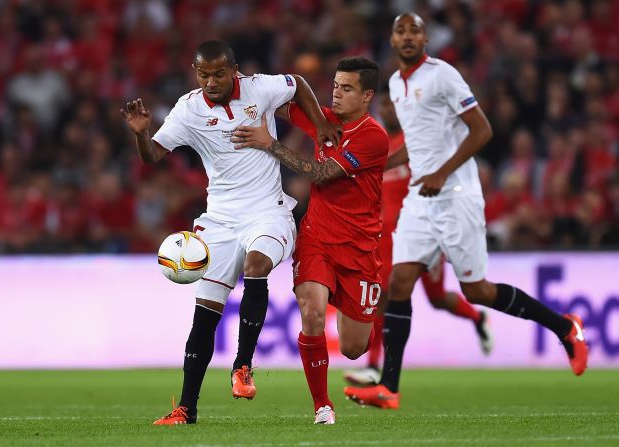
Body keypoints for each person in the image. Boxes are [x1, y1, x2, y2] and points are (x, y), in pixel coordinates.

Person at [343, 13, 588, 410]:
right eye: (401, 31)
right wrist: (378, 166)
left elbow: (482, 129)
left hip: (457, 193)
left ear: (425, 37)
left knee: (477, 290)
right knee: (399, 281)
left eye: (415, 31)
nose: (408, 37)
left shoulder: (443, 75)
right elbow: (416, 146)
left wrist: (442, 171)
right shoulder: (395, 84)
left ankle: (564, 328)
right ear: (391, 40)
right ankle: (389, 388)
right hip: (421, 198)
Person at [121, 40, 341, 425]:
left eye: (219, 73)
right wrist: (142, 133)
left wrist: (321, 123)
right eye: (203, 74)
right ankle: (186, 409)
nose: (211, 81)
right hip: (219, 221)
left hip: (268, 213)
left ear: (233, 70)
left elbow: (299, 83)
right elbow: (153, 155)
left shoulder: (260, 88)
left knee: (257, 265)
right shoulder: (188, 109)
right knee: (204, 316)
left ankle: (243, 365)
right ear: (195, 72)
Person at [232, 56, 389, 424]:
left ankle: (361, 316)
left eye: (346, 88)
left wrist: (269, 144)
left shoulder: (373, 137)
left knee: (352, 348)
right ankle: (323, 406)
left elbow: (319, 174)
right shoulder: (325, 119)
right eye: (335, 85)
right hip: (316, 237)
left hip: (360, 247)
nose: (336, 94)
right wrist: (239, 83)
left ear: (367, 96)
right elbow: (284, 101)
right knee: (313, 314)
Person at [343, 91, 493, 387]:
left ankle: (477, 319)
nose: (387, 109)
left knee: (437, 299)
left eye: (393, 104)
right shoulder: (378, 145)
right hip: (387, 239)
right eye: (383, 104)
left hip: (424, 231)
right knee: (382, 295)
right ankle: (375, 367)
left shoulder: (419, 145)